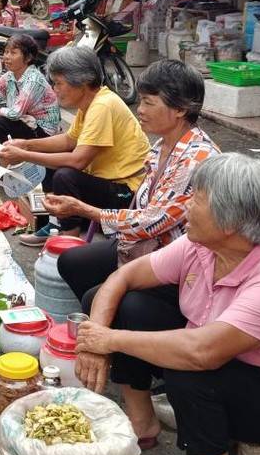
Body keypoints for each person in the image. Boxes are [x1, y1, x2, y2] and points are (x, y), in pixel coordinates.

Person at [75, 153, 260, 455]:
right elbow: (122, 279)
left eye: (198, 198)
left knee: (188, 370)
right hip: (219, 356)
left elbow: (201, 353)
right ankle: (142, 422)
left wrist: (110, 341)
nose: (186, 205)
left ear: (231, 221)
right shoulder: (200, 247)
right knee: (118, 303)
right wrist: (97, 339)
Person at [54, 60, 218, 297]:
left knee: (99, 298)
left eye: (149, 102)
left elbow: (150, 221)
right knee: (72, 262)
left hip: (177, 261)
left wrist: (83, 209)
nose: (140, 109)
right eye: (141, 101)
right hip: (144, 243)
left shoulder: (195, 159)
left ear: (180, 109)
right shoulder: (161, 144)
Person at [0, 46, 150, 246]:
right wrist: (27, 145)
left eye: (59, 83)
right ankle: (57, 223)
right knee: (51, 162)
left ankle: (68, 237)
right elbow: (69, 140)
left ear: (83, 83)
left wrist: (24, 155)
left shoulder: (103, 105)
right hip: (107, 182)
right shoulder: (91, 102)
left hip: (128, 193)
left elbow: (78, 161)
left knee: (65, 174)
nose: (55, 89)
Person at [0, 33, 60, 161]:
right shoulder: (9, 76)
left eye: (13, 53)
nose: (7, 57)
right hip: (26, 121)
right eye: (6, 52)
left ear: (27, 58)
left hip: (42, 131)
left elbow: (15, 113)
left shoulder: (33, 79)